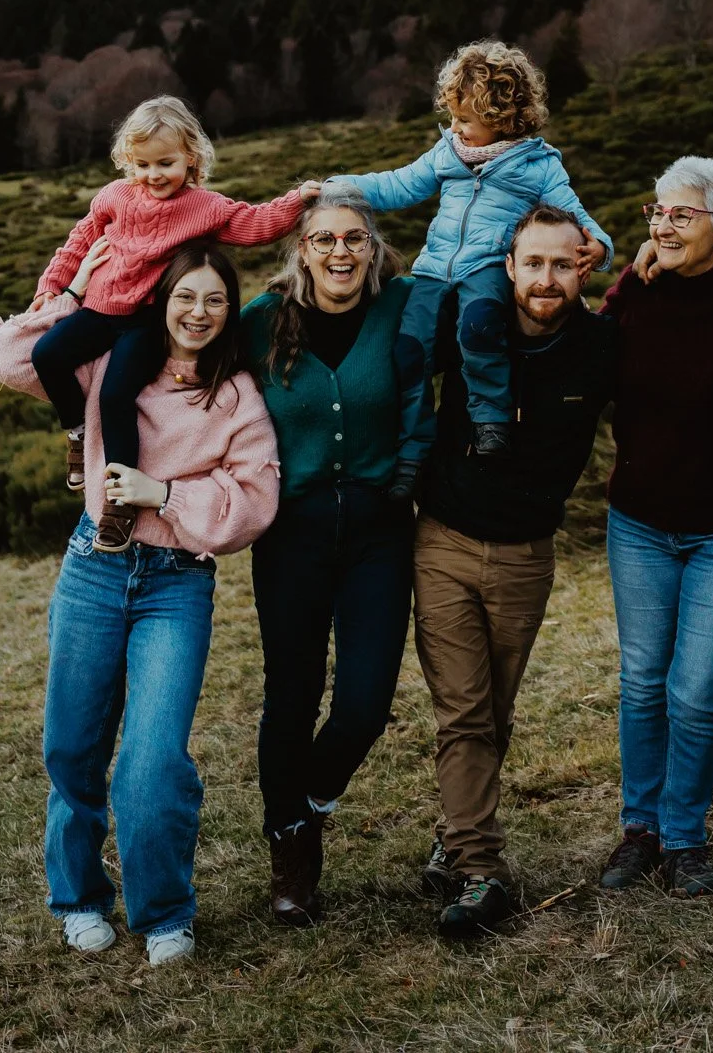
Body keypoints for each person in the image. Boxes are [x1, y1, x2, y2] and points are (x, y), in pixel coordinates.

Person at [0, 243, 281, 966]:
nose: (199, 312)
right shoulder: (113, 362)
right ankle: (81, 898)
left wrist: (166, 495)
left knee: (151, 760)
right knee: (73, 745)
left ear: (229, 309)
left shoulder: (237, 394)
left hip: (176, 582)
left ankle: (164, 912)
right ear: (161, 298)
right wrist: (81, 286)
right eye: (186, 296)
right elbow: (14, 360)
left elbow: (254, 502)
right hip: (94, 567)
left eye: (215, 299)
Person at [408, 204, 618, 938]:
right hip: (444, 542)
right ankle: (481, 869)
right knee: (463, 710)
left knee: (492, 711)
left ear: (582, 267)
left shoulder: (599, 347)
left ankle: (455, 830)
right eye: (533, 263)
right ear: (510, 266)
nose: (547, 278)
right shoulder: (471, 325)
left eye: (563, 264)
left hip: (529, 555)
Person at [28, 95, 316, 552]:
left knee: (116, 395)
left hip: (145, 322)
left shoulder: (205, 206)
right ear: (128, 161)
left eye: (165, 163)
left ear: (191, 158)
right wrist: (55, 284)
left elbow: (255, 223)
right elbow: (79, 240)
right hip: (100, 311)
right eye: (141, 164)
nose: (153, 175)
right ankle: (77, 435)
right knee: (46, 354)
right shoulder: (115, 196)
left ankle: (118, 506)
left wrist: (297, 201)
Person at [239, 185, 414, 927]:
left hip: (379, 529)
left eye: (354, 239)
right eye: (324, 240)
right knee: (292, 693)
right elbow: (182, 360)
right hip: (293, 533)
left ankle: (305, 795)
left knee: (366, 701)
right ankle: (293, 855)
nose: (340, 252)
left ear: (372, 248)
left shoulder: (402, 304)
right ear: (300, 249)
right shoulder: (258, 321)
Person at [329, 41, 613, 496]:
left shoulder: (538, 166)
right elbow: (398, 185)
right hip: (434, 268)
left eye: (465, 120)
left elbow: (575, 215)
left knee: (480, 330)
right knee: (408, 349)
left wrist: (599, 245)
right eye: (453, 117)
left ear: (502, 119)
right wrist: (340, 187)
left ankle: (490, 421)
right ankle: (411, 451)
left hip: (484, 268)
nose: (455, 127)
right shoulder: (448, 153)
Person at [594, 156, 713, 899]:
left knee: (696, 691)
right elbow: (593, 361)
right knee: (642, 681)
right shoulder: (637, 295)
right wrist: (629, 279)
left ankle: (685, 836)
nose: (663, 224)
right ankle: (641, 830)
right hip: (639, 522)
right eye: (657, 211)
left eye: (681, 214)